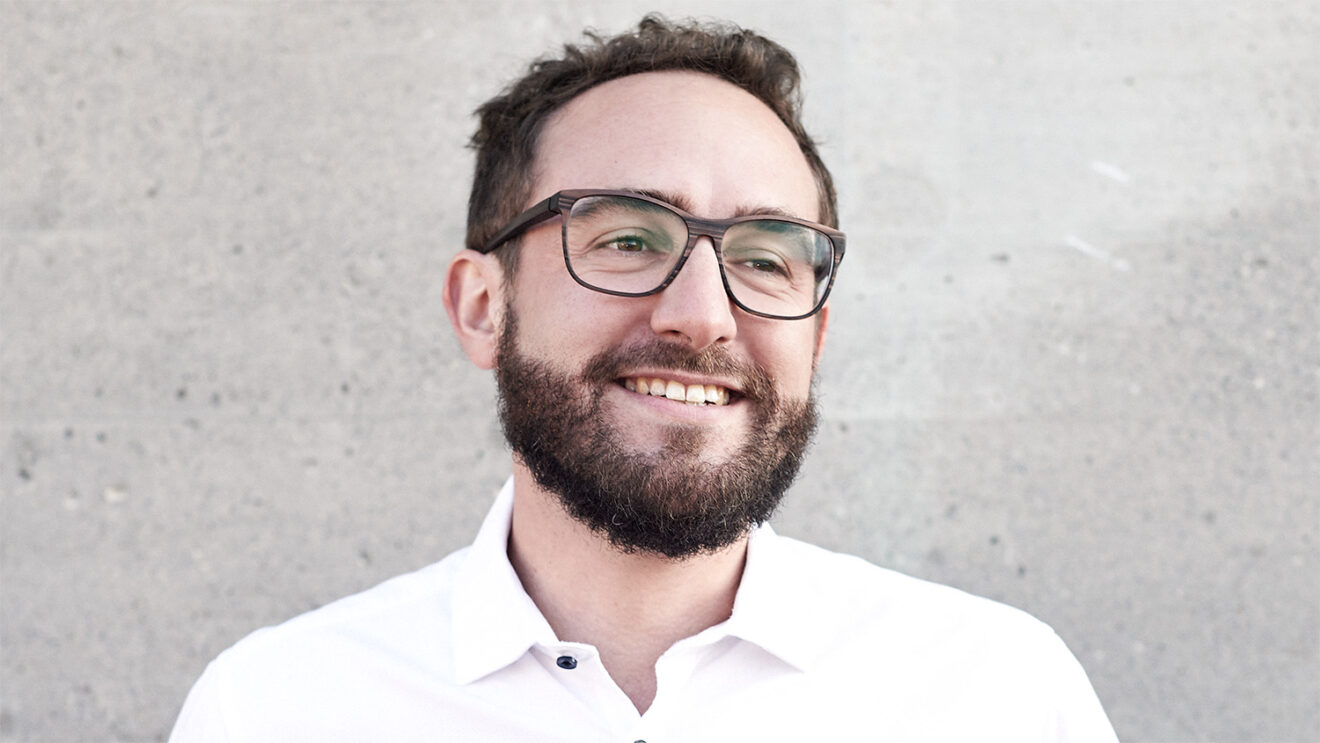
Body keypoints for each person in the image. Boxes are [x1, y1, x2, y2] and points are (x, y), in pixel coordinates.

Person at [170, 16, 1119, 742]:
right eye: (628, 238)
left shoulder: (998, 695)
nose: (703, 314)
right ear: (482, 307)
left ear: (818, 336)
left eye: (765, 258)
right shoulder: (278, 709)